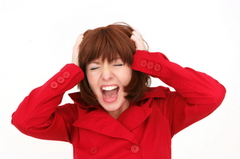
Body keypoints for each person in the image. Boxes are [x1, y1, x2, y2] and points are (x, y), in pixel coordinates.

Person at [12, 22, 226, 159]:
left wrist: (149, 60)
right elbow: (25, 120)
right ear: (84, 74)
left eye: (117, 64)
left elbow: (211, 95)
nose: (106, 75)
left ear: (134, 68)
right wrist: (70, 72)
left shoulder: (161, 109)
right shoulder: (75, 117)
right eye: (94, 67)